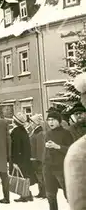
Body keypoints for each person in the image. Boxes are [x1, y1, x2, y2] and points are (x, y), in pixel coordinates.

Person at [43, 110, 73, 210]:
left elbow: (71, 150)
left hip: (61, 168)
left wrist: (57, 146)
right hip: (48, 168)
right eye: (49, 120)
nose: (50, 122)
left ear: (59, 121)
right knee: (50, 195)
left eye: (53, 120)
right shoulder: (47, 133)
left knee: (68, 195)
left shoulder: (66, 133)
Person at [64, 72, 86, 210]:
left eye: (81, 113)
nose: (79, 116)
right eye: (76, 114)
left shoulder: (79, 153)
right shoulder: (78, 151)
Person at [10, 112, 35, 202]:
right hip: (25, 158)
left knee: (21, 177)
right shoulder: (23, 130)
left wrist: (15, 161)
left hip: (19, 158)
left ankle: (25, 195)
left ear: (15, 121)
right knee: (24, 176)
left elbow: (15, 147)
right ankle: (27, 194)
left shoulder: (16, 132)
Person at [29, 114, 46, 198]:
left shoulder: (39, 133)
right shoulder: (35, 131)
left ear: (36, 123)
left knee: (40, 175)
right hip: (34, 157)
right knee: (38, 175)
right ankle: (41, 192)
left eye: (32, 122)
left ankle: (44, 193)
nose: (30, 123)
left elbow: (40, 147)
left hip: (37, 158)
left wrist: (39, 159)